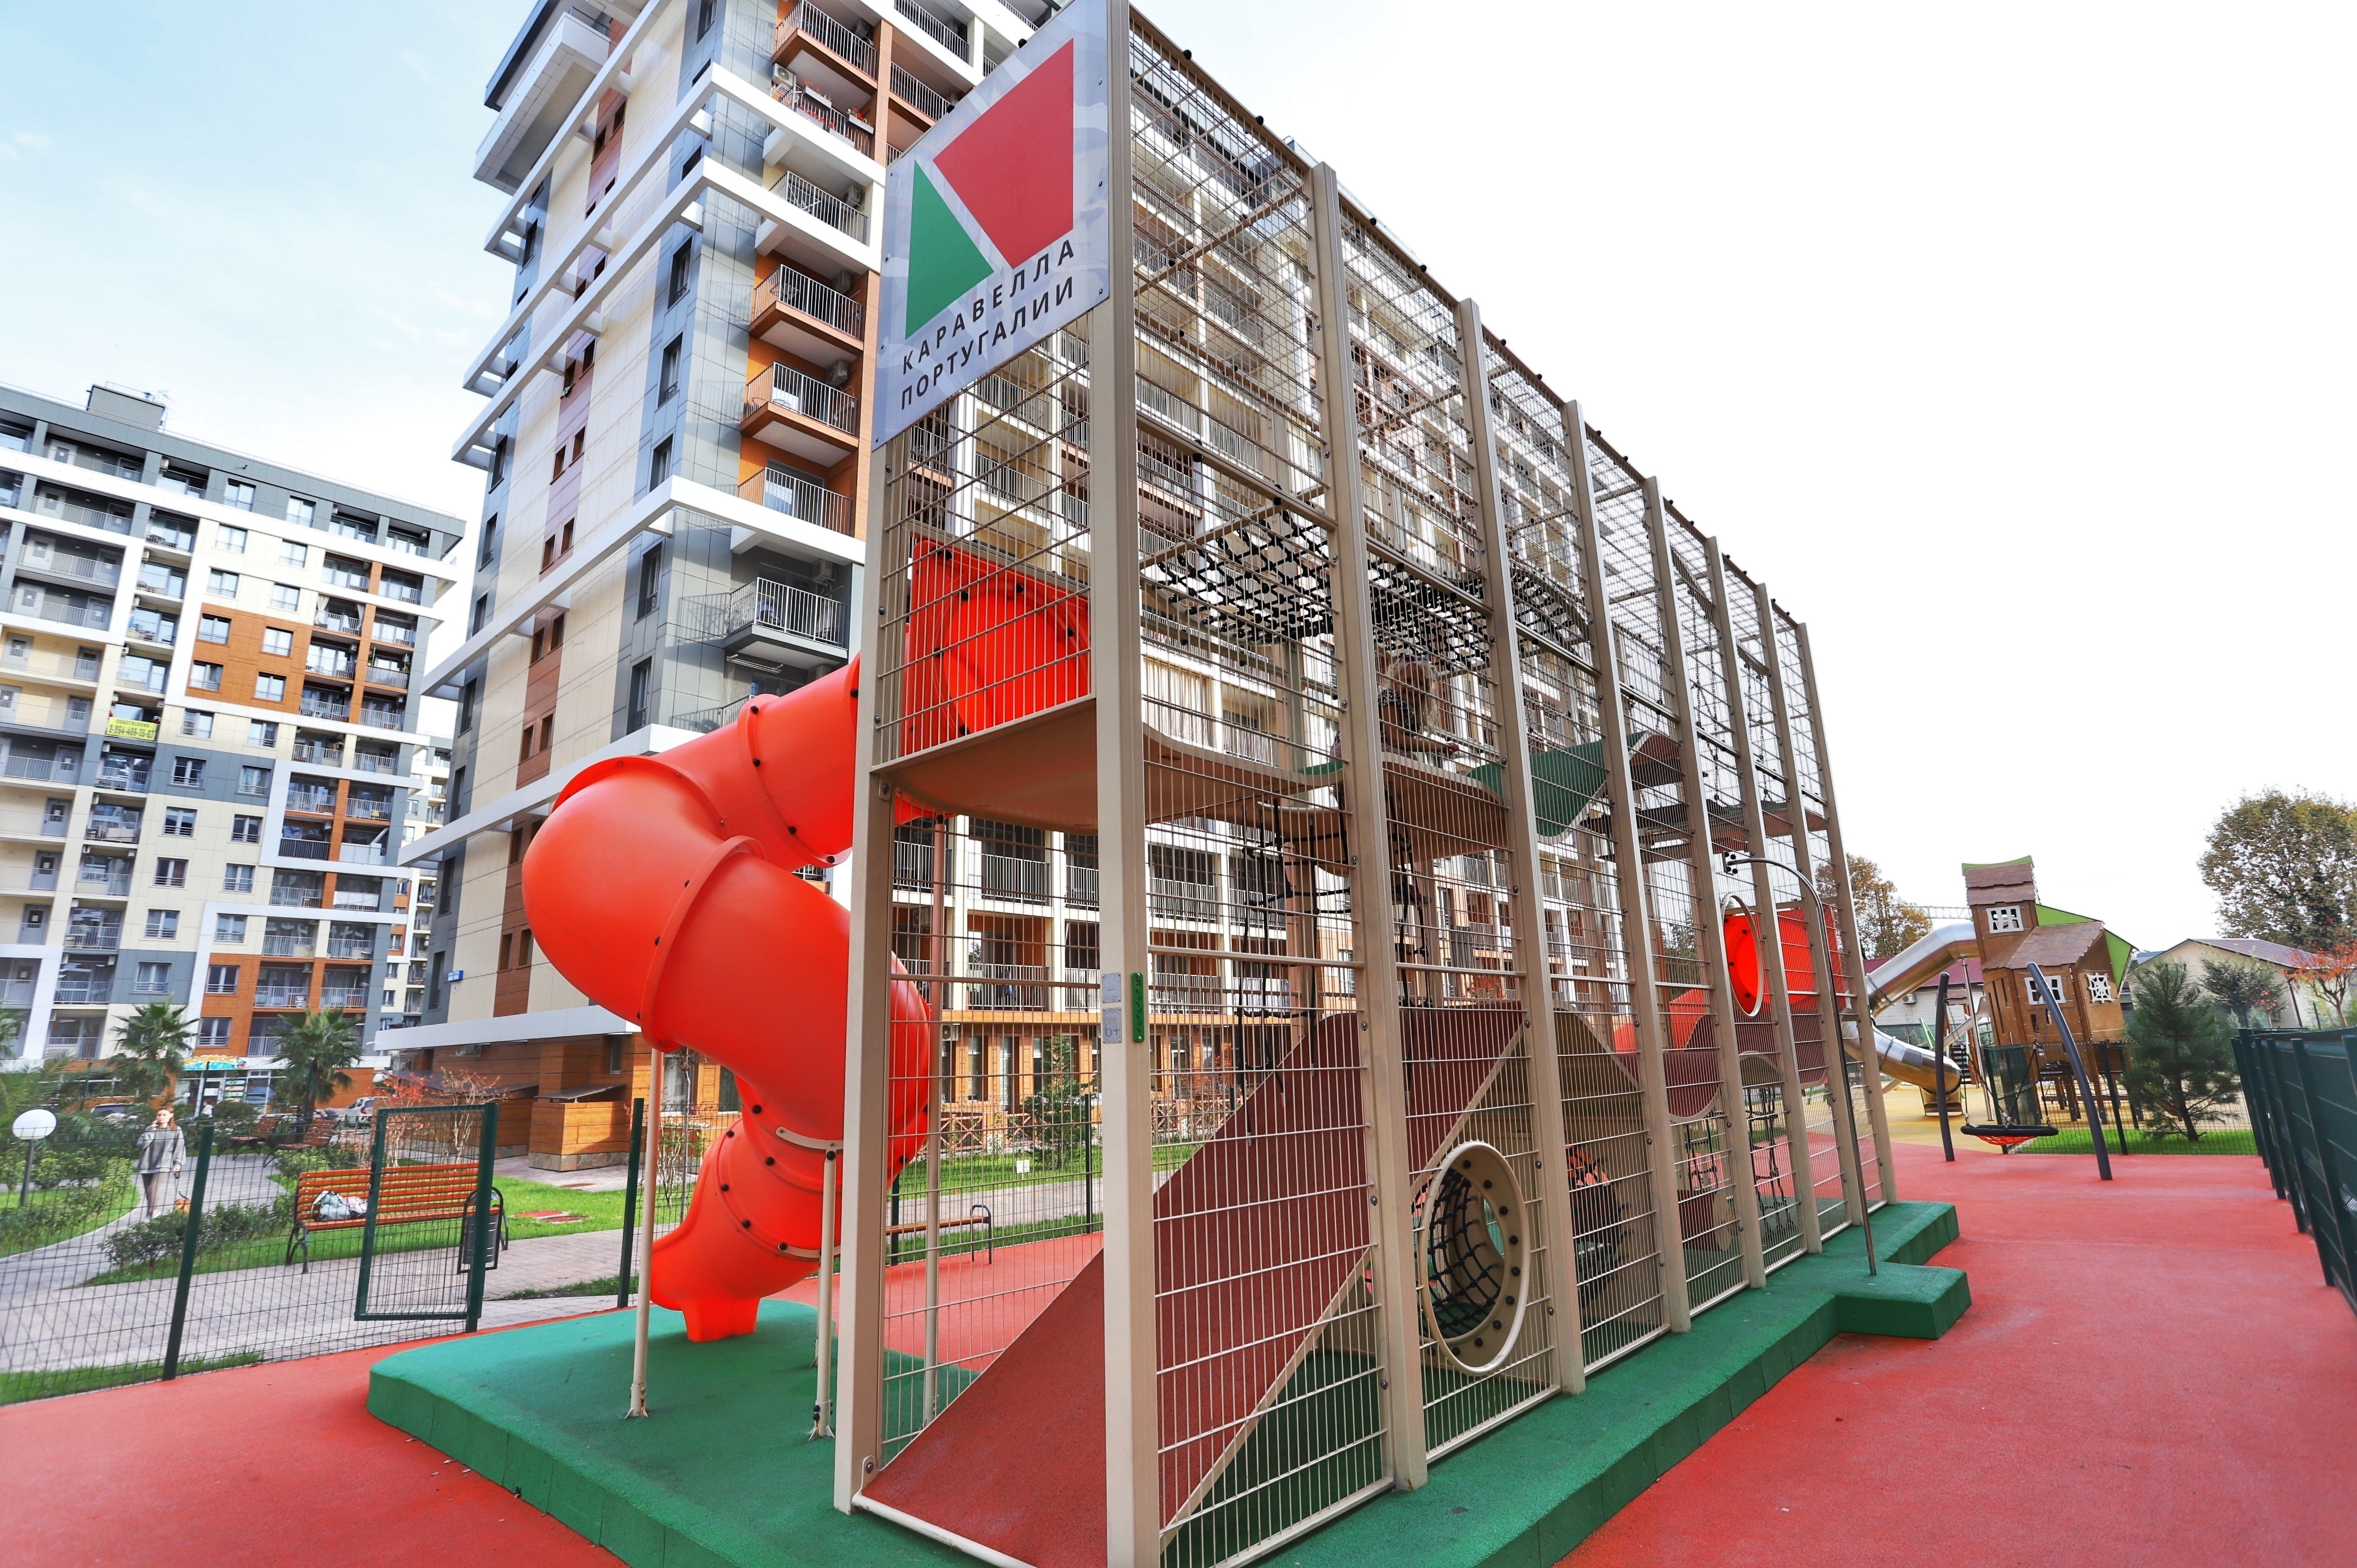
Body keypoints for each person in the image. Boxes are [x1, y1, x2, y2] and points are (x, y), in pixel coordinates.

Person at [134, 1108, 185, 1220]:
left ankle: (150, 1214)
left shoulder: (176, 1130)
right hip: (146, 1164)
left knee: (153, 1188)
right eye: (159, 1115)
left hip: (163, 1164)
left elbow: (180, 1148)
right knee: (149, 1191)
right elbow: (141, 1145)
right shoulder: (150, 1129)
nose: (161, 1117)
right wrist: (152, 1131)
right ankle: (155, 1211)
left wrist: (178, 1163)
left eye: (164, 1115)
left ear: (171, 1115)